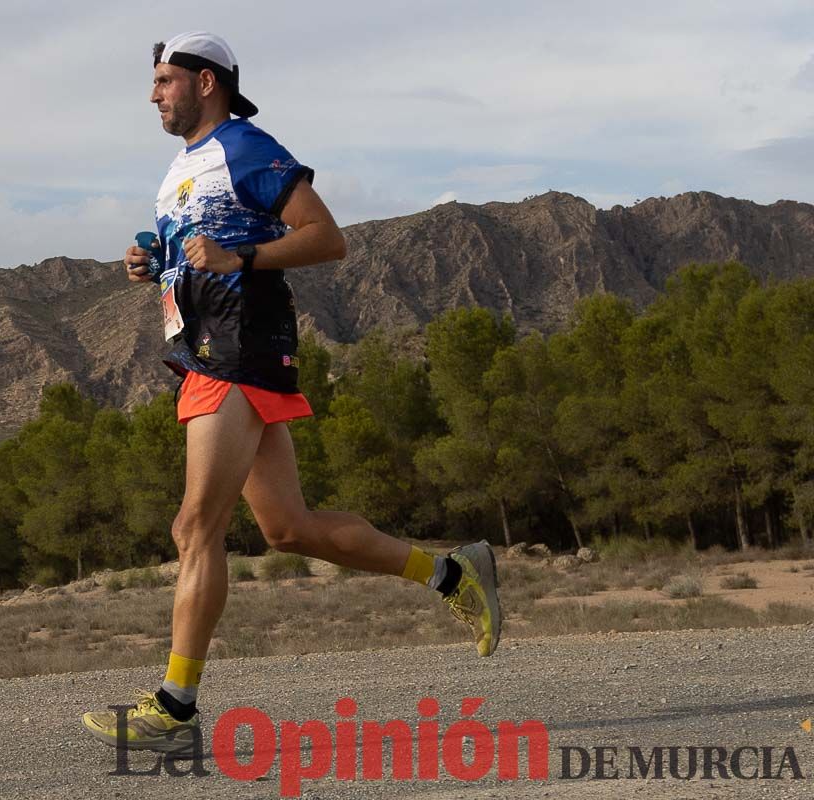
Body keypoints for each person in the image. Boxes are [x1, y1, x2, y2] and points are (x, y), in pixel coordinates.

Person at [82, 31, 501, 754]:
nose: (153, 94)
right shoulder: (179, 171)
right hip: (209, 349)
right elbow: (198, 254)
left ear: (205, 82)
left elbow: (326, 236)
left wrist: (241, 254)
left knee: (194, 527)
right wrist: (150, 262)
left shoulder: (247, 147)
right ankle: (451, 573)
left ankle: (176, 708)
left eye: (163, 80)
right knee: (288, 530)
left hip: (237, 348)